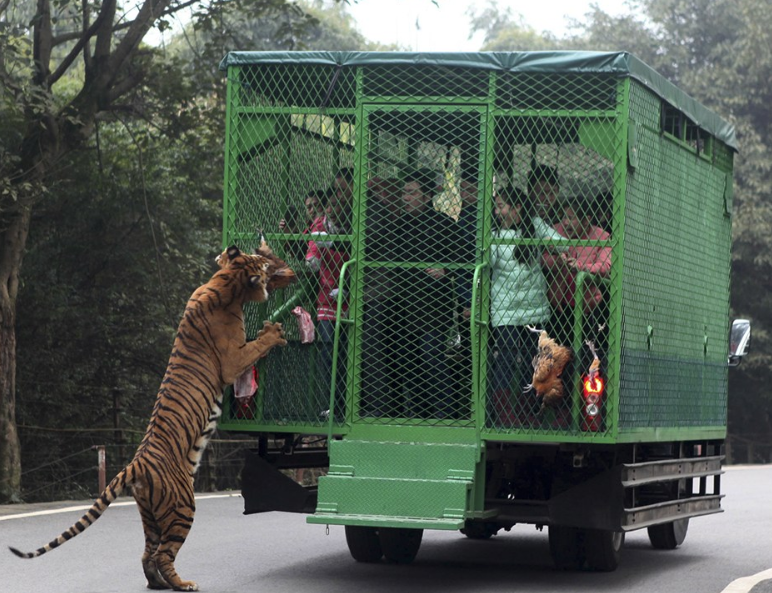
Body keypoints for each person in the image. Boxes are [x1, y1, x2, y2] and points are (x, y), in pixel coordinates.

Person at [489, 185, 567, 427]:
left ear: (517, 207)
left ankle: (527, 412)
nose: (498, 211)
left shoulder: (534, 225)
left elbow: (562, 243)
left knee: (534, 363)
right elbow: (488, 261)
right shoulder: (494, 232)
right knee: (507, 358)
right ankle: (503, 413)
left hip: (535, 309)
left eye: (502, 205)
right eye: (497, 206)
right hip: (505, 311)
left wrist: (546, 242)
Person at [389, 168, 463, 418]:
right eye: (404, 192)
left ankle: (445, 414)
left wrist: (446, 270)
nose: (405, 197)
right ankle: (418, 415)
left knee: (433, 360)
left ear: (427, 195)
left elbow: (461, 259)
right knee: (409, 364)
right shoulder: (398, 227)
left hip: (434, 308)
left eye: (411, 192)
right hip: (404, 307)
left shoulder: (443, 224)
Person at [306, 169, 354, 421]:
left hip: (349, 296)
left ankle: (348, 405)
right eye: (329, 204)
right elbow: (311, 250)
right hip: (326, 297)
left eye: (337, 203)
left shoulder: (351, 225)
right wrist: (312, 258)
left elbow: (351, 255)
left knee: (347, 353)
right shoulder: (320, 225)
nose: (333, 208)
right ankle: (331, 403)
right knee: (328, 352)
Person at [543, 196, 612, 351]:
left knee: (586, 355)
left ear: (586, 220)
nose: (566, 222)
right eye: (564, 217)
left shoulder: (601, 236)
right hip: (558, 303)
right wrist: (557, 262)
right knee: (556, 356)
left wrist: (581, 267)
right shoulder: (554, 230)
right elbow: (542, 258)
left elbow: (605, 266)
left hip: (587, 304)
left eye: (571, 218)